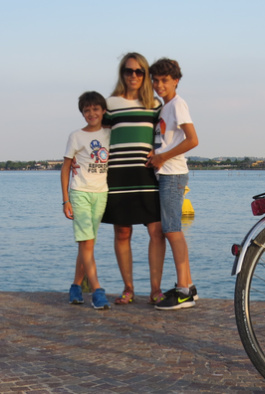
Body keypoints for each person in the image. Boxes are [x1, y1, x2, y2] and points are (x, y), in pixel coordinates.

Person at [101, 52, 166, 305]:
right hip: (117, 175)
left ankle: (155, 290)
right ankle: (128, 288)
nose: (134, 76)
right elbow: (100, 141)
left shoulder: (155, 105)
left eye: (140, 72)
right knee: (122, 233)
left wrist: (160, 154)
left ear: (146, 75)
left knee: (156, 231)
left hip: (146, 174)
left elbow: (165, 138)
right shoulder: (110, 104)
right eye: (129, 71)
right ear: (122, 74)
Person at [147, 58, 199, 310]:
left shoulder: (178, 105)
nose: (159, 85)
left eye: (164, 80)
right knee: (172, 229)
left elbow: (192, 140)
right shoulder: (164, 107)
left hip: (172, 174)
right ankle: (188, 285)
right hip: (166, 174)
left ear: (176, 80)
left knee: (172, 230)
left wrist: (161, 157)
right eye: (155, 80)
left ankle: (183, 292)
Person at [61, 91, 111, 310]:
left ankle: (75, 286)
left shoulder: (110, 133)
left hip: (100, 193)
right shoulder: (76, 136)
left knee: (86, 244)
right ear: (82, 113)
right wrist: (66, 200)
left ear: (103, 111)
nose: (91, 113)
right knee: (87, 243)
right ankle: (97, 290)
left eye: (95, 109)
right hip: (79, 192)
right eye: (87, 110)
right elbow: (65, 169)